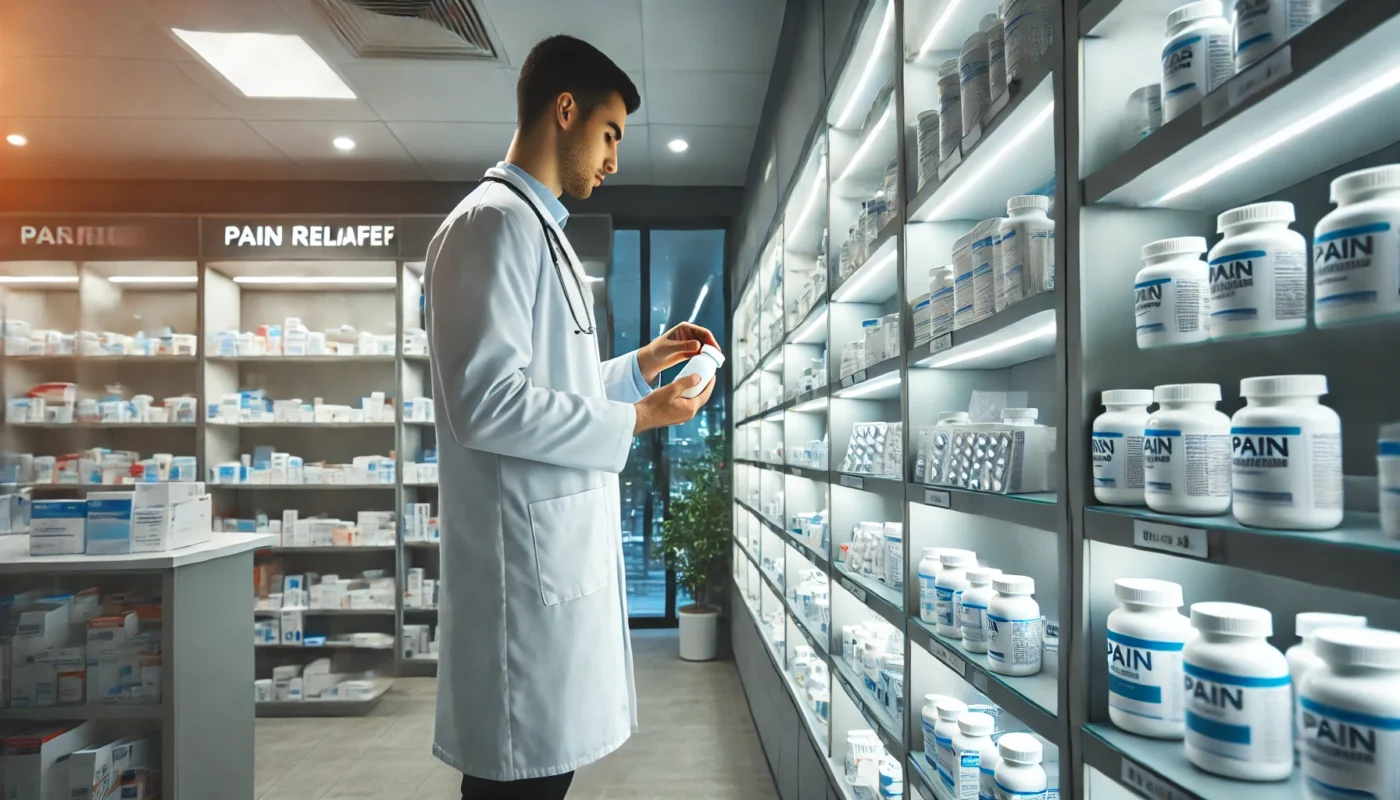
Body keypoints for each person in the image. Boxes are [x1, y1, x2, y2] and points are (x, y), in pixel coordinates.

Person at [423, 34, 719, 800]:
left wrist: (639, 368)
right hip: (519, 589)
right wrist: (642, 418)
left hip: (551, 576)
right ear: (566, 111)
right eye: (610, 133)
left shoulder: (540, 230)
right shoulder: (489, 224)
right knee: (517, 786)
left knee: (544, 782)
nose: (615, 159)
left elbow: (559, 385)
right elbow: (484, 404)